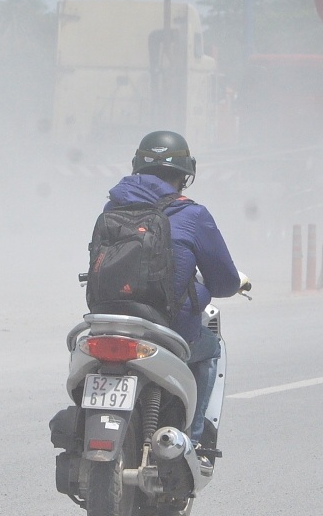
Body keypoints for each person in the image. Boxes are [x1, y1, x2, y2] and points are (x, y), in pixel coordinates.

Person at [90, 130, 241, 447]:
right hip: (168, 331)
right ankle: (195, 441)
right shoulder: (193, 215)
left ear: (137, 167)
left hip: (110, 323)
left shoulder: (111, 208)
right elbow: (225, 282)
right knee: (211, 347)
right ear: (185, 175)